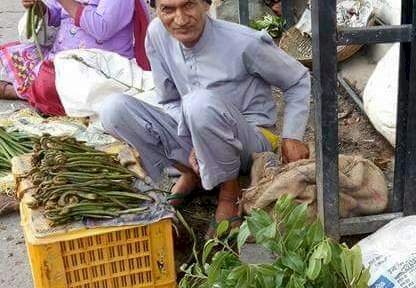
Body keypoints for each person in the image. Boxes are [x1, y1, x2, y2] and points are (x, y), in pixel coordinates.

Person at [99, 0, 311, 231]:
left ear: (206, 4)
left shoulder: (243, 42)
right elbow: (169, 100)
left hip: (250, 142)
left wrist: (292, 135)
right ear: (156, 10)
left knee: (199, 103)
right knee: (114, 109)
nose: (179, 19)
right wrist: (196, 140)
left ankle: (230, 193)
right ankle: (190, 174)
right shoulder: (157, 34)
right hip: (195, 129)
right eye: (168, 9)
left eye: (188, 5)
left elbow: (297, 79)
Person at [0, 0, 150, 115]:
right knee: (9, 56)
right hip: (60, 58)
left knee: (49, 84)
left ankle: (22, 93)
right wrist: (39, 7)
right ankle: (36, 91)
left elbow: (102, 28)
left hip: (99, 68)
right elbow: (56, 13)